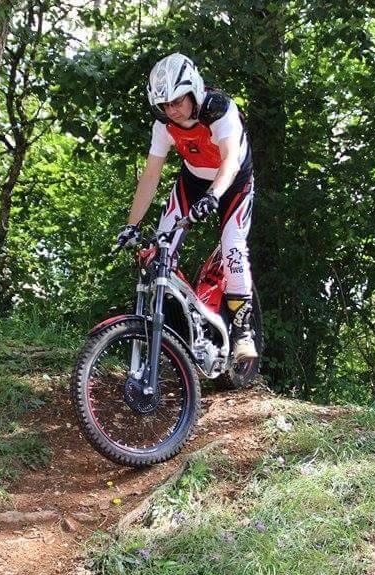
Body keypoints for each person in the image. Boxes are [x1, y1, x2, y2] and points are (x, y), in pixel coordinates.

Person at [115, 53, 258, 361]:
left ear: (193, 90)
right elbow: (151, 174)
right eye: (164, 105)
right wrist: (132, 225)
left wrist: (213, 195)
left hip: (233, 181)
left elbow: (230, 162)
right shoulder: (164, 124)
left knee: (232, 246)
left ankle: (243, 332)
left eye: (177, 101)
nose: (172, 110)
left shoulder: (220, 109)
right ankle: (172, 329)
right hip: (192, 181)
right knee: (158, 250)